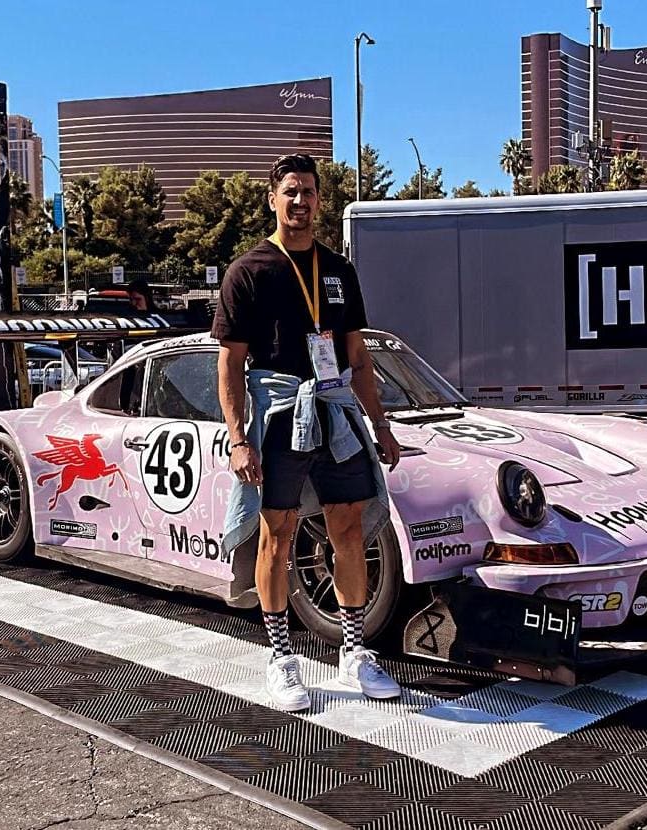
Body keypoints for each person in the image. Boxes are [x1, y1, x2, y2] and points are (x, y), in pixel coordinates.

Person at [213, 153, 401, 712]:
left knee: (347, 527)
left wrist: (380, 425)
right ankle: (280, 658)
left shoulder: (339, 270)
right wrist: (239, 436)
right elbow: (229, 363)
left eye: (310, 192)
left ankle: (354, 654)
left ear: (322, 200)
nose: (301, 201)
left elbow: (357, 356)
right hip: (278, 412)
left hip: (334, 408)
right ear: (272, 199)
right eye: (290, 191)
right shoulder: (249, 271)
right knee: (279, 531)